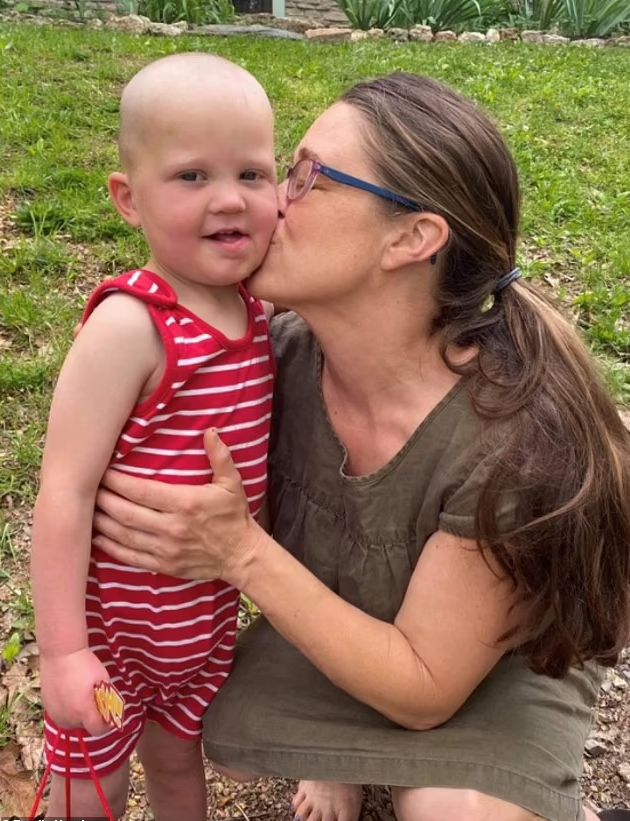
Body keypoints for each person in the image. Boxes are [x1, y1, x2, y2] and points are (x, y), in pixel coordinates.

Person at [89, 73, 630, 821]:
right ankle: (339, 758)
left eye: (309, 178)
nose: (270, 201)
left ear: (412, 239)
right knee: (230, 730)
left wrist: (240, 551)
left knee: (447, 812)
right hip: (357, 620)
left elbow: (425, 686)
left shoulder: (514, 441)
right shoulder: (268, 359)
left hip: (486, 669)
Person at [30, 53, 278, 820]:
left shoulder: (262, 313)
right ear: (127, 199)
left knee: (176, 764)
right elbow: (64, 490)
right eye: (191, 176)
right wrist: (65, 651)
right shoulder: (131, 326)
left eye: (253, 173)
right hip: (112, 641)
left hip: (202, 631)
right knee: (91, 786)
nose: (229, 198)